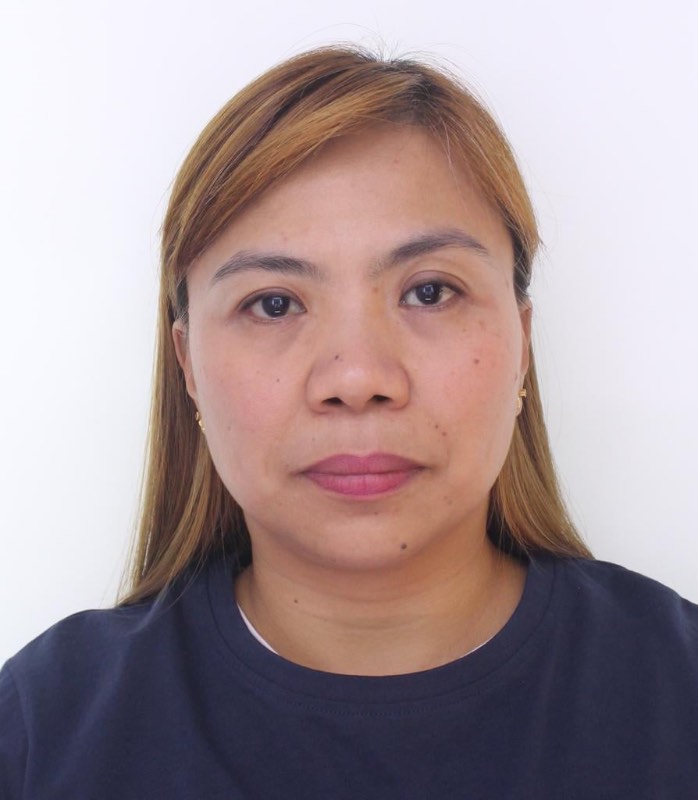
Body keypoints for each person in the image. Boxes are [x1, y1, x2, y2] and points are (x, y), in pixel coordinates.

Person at [1, 45, 696, 799]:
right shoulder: (44, 730)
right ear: (188, 365)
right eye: (273, 303)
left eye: (430, 292)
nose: (358, 379)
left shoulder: (678, 695)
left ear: (522, 344)